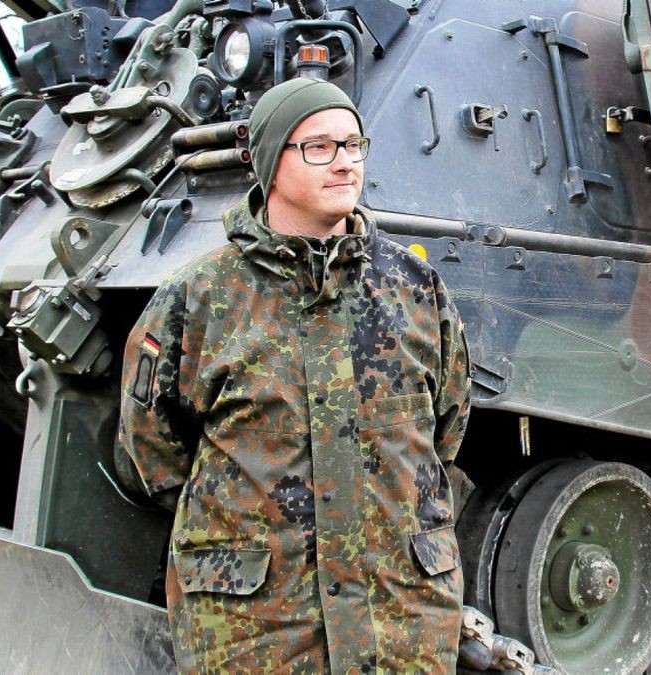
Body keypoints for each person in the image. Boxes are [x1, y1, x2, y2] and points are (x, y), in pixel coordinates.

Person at [117, 77, 471, 672]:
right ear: (268, 163)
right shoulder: (202, 297)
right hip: (259, 628)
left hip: (399, 621)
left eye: (353, 145)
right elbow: (152, 447)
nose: (344, 163)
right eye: (318, 147)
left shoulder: (414, 290)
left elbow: (449, 425)